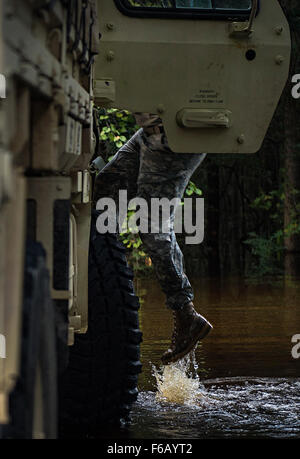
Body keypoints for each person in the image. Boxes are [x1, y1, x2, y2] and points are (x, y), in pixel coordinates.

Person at [93, 113, 213, 365]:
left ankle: (185, 313)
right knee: (105, 187)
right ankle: (103, 278)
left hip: (177, 131)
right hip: (153, 130)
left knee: (151, 226)